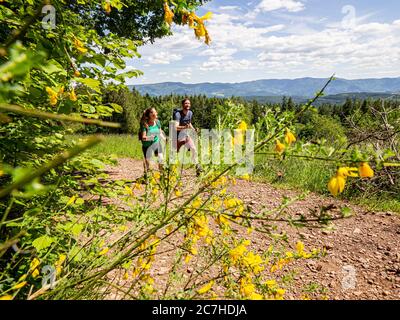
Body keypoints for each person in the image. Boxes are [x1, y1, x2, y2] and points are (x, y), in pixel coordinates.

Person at [173, 98, 203, 176]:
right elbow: (175, 127)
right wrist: (184, 127)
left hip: (186, 136)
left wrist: (194, 130)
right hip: (177, 137)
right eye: (186, 103)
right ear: (182, 105)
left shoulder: (190, 113)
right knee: (175, 154)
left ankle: (198, 167)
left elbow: (189, 124)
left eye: (189, 103)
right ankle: (171, 169)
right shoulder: (178, 114)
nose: (188, 105)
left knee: (193, 149)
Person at [139, 107, 165, 177]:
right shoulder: (144, 124)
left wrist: (164, 138)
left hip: (156, 143)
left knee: (161, 158)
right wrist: (150, 138)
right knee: (148, 164)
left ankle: (162, 175)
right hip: (146, 145)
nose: (155, 113)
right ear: (149, 115)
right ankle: (146, 176)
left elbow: (160, 132)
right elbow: (143, 138)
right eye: (152, 112)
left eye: (155, 112)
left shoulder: (157, 122)